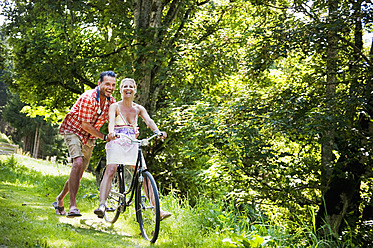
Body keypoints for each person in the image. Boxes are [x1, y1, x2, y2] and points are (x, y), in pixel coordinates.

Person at [94, 78, 172, 220]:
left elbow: (148, 121)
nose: (127, 89)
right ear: (121, 89)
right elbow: (111, 121)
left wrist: (157, 131)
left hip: (132, 142)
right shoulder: (115, 106)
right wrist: (111, 132)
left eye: (130, 86)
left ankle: (157, 210)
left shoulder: (138, 108)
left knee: (143, 173)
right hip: (117, 140)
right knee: (111, 169)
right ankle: (102, 205)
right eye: (125, 86)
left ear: (135, 90)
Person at [52, 71, 117, 217]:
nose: (110, 87)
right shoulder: (88, 97)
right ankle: (72, 206)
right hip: (74, 130)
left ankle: (60, 199)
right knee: (78, 162)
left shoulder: (111, 102)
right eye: (107, 84)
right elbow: (85, 124)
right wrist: (104, 136)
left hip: (89, 137)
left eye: (113, 85)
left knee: (79, 172)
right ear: (99, 83)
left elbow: (116, 120)